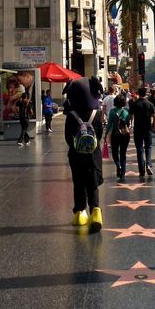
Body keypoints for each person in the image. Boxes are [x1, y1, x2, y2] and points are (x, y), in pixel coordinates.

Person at [63, 76, 104, 230]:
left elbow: (68, 136)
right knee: (92, 183)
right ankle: (96, 212)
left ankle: (80, 213)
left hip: (76, 154)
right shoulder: (96, 114)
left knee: (78, 183)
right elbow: (99, 134)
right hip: (93, 155)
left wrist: (76, 147)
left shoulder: (71, 115)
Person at [129, 86, 155, 180]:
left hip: (138, 129)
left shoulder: (134, 104)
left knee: (139, 149)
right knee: (148, 147)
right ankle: (149, 164)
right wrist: (154, 128)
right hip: (147, 129)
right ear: (145, 93)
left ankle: (141, 170)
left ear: (138, 93)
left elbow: (130, 116)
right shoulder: (150, 104)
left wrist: (128, 125)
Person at [105, 92, 131, 181]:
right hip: (125, 135)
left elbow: (109, 125)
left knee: (115, 153)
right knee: (123, 154)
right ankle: (122, 173)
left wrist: (106, 134)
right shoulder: (126, 112)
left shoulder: (112, 112)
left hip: (115, 135)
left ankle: (118, 165)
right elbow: (128, 124)